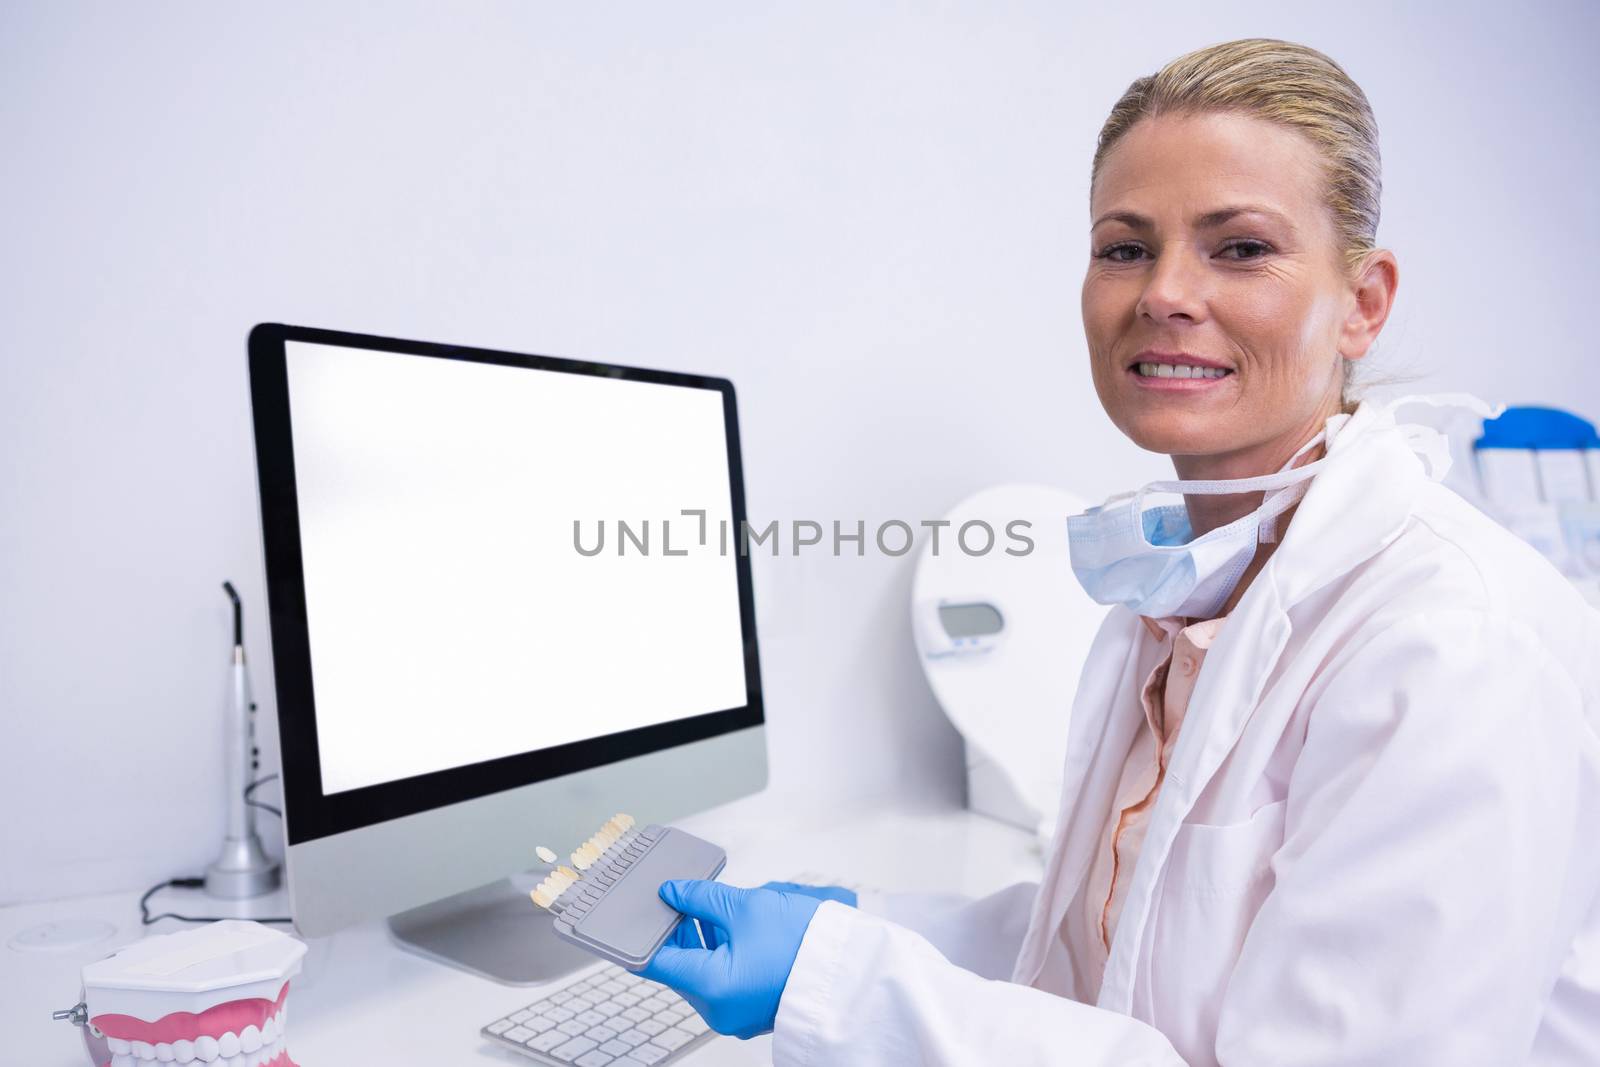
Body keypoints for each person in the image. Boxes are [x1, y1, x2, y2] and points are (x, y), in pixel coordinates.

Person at [639, 38, 1600, 1065]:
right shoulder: (1189, 588)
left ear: (1362, 303)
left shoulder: (1454, 647)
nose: (1163, 293)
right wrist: (867, 926)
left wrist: (837, 982)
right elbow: (1123, 955)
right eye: (1124, 247)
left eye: (1238, 248)